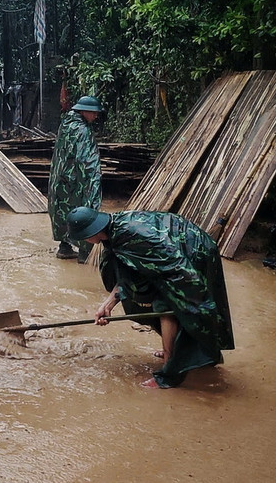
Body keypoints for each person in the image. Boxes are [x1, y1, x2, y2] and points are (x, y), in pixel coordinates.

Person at [67, 206, 234, 389]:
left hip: (194, 252)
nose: (85, 241)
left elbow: (177, 271)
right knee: (141, 300)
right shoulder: (114, 234)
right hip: (174, 250)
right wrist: (107, 305)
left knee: (166, 304)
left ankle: (170, 369)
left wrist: (189, 301)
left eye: (83, 237)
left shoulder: (135, 237)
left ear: (93, 232)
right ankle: (175, 351)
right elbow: (128, 276)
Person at [48, 95, 103, 262]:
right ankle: (85, 254)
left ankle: (64, 247)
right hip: (77, 181)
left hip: (60, 179)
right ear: (84, 111)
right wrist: (94, 183)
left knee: (62, 210)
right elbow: (88, 161)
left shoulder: (66, 124)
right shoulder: (83, 131)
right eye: (93, 113)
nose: (95, 116)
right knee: (85, 211)